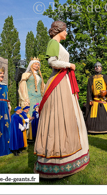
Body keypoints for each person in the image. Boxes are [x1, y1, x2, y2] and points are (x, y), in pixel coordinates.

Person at [34, 21, 89, 178]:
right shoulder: (53, 42)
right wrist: (70, 65)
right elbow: (52, 62)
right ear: (59, 30)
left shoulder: (59, 44)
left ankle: (72, 155)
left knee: (68, 114)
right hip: (58, 81)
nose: (67, 33)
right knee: (58, 115)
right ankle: (57, 157)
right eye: (66, 30)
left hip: (64, 80)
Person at [85, 62, 107, 134]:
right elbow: (89, 91)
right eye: (96, 66)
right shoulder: (91, 79)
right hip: (95, 101)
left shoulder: (105, 77)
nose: (97, 67)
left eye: (99, 66)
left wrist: (106, 92)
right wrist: (90, 99)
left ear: (101, 68)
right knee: (93, 114)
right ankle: (93, 129)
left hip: (104, 100)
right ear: (94, 68)